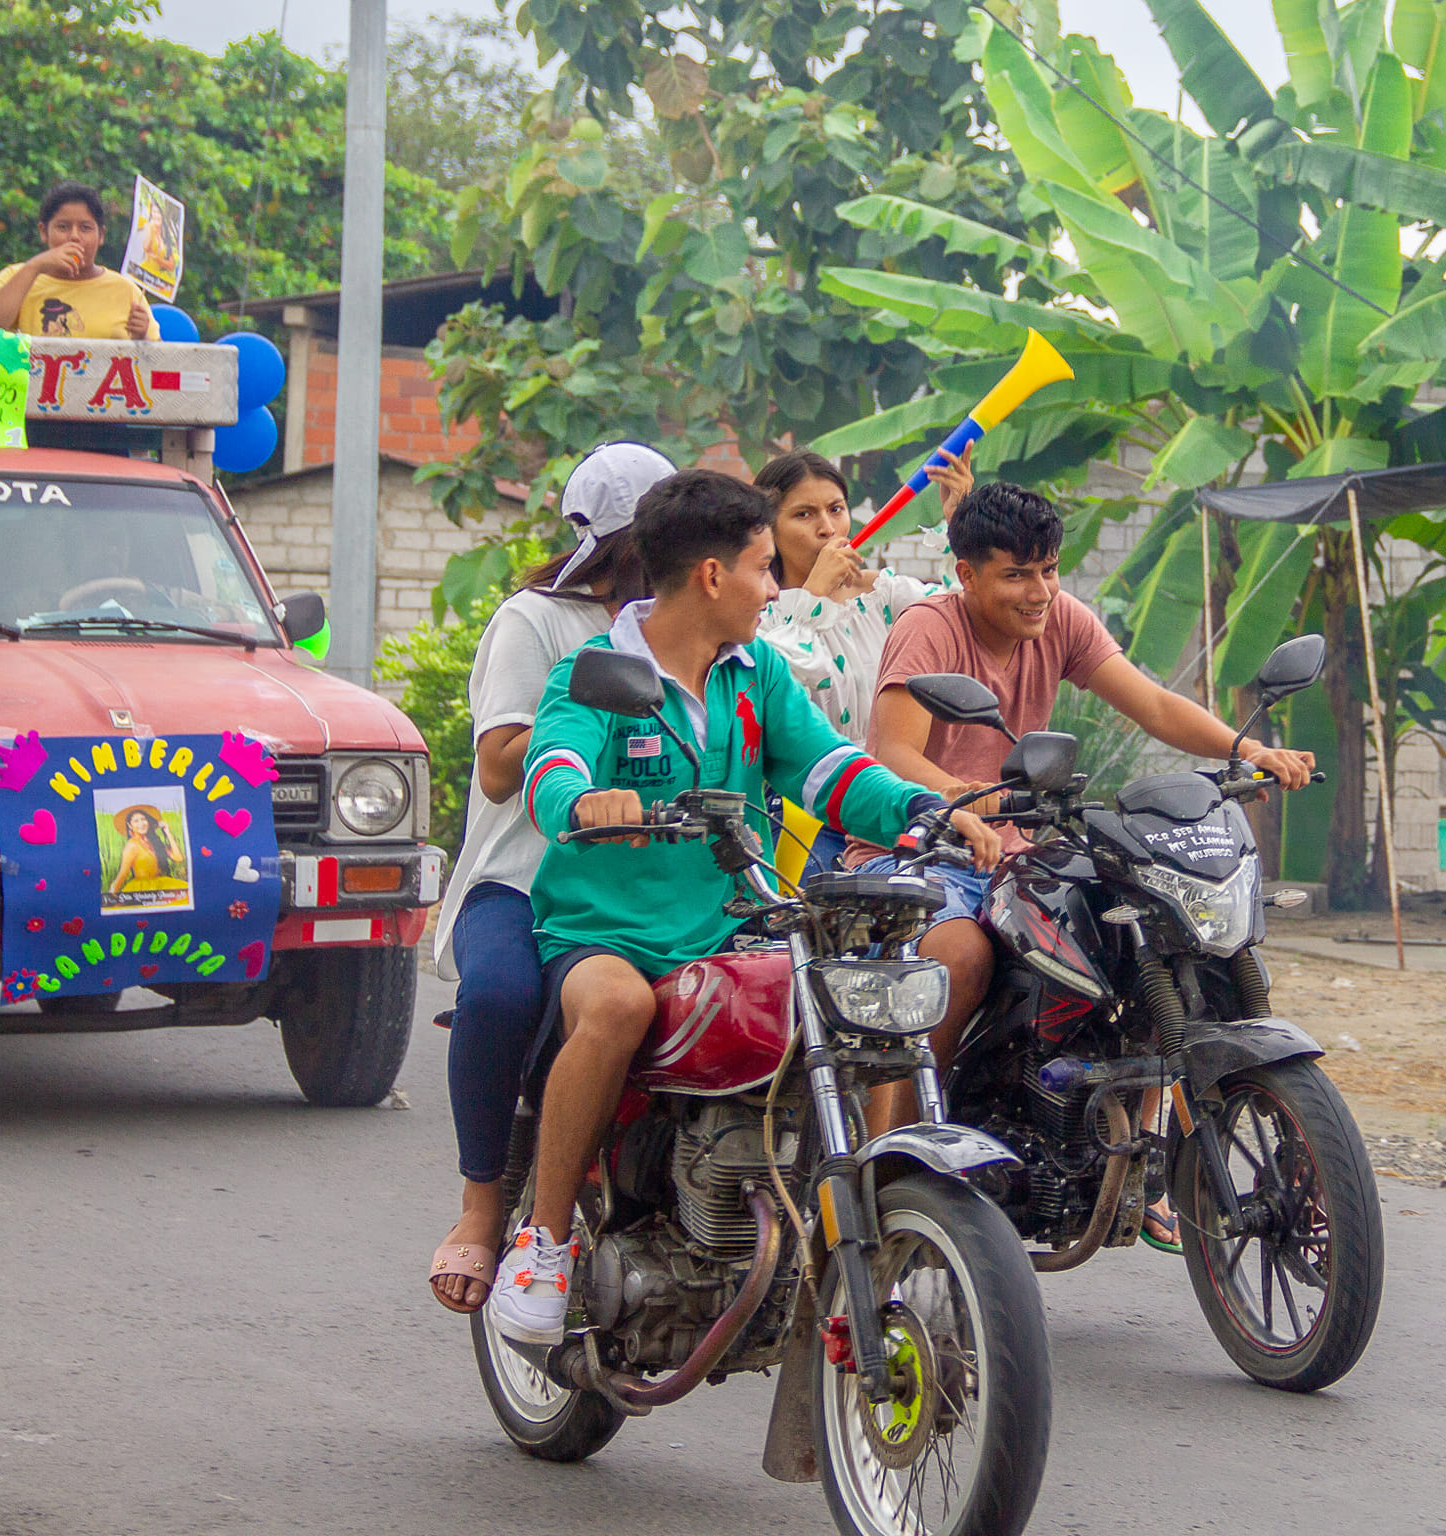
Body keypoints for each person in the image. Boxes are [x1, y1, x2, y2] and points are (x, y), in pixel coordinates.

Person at [489, 468, 1000, 1345]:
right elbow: (553, 764)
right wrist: (583, 800)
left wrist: (924, 808)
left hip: (735, 923)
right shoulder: (596, 672)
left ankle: (822, 1223)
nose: (775, 588)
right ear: (711, 575)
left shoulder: (756, 670)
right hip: (607, 933)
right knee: (616, 1008)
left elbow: (828, 768)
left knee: (844, 1006)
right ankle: (544, 1241)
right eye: (764, 569)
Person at [848, 482, 1317, 1149]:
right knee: (960, 955)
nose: (1038, 591)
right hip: (917, 849)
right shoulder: (929, 628)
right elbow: (892, 753)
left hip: (1014, 850)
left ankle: (1135, 1155)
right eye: (1016, 575)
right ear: (967, 575)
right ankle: (898, 1148)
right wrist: (964, 795)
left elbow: (1154, 705)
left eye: (1048, 570)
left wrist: (1247, 750)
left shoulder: (1061, 619)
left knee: (1143, 938)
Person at [426, 443, 672, 1315]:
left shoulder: (694, 630)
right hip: (523, 881)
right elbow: (499, 767)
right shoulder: (534, 621)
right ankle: (482, 1202)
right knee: (499, 996)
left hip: (648, 884)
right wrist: (588, 722)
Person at [755, 448, 973, 879]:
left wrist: (960, 526)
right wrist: (813, 595)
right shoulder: (762, 616)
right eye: (803, 514)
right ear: (769, 529)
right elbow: (782, 675)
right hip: (805, 814)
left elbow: (966, 616)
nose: (827, 527)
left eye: (836, 510)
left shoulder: (886, 597)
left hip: (897, 803)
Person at [0, 182, 157, 341]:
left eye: (85, 228)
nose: (74, 236)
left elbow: (159, 362)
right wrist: (35, 267)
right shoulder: (18, 276)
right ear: (43, 232)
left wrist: (142, 338)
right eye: (63, 227)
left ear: (101, 235)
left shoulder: (126, 290)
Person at [107, 806, 186, 896]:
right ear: (130, 826)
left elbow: (178, 858)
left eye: (143, 819)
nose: (141, 824)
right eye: (136, 821)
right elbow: (122, 875)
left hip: (160, 884)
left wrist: (167, 832)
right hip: (142, 888)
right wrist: (111, 895)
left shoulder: (154, 841)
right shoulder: (132, 845)